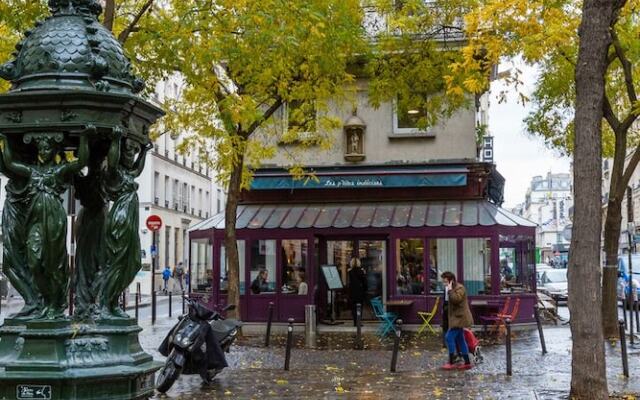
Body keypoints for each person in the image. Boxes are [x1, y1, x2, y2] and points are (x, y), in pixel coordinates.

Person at [441, 271, 474, 370]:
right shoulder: (450, 289)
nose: (444, 284)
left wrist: (450, 290)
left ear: (451, 281)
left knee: (448, 337)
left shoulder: (460, 288)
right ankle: (467, 362)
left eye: (446, 282)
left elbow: (456, 299)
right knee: (460, 340)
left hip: (460, 318)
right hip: (456, 318)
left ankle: (451, 362)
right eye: (443, 282)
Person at [348, 257, 367, 326]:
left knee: (353, 307)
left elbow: (349, 283)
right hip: (360, 292)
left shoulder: (350, 272)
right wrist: (365, 289)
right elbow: (365, 282)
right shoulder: (361, 271)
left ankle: (355, 322)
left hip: (352, 292)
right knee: (359, 307)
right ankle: (359, 321)